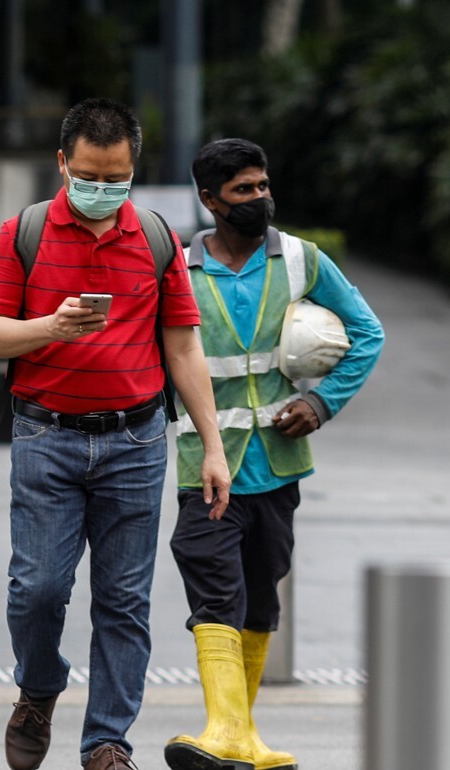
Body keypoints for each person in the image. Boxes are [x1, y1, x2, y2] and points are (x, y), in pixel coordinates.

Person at [0, 98, 231, 770]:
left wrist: (212, 444)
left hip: (137, 442)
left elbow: (183, 350)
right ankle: (39, 687)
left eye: (117, 180)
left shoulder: (154, 238)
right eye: (90, 176)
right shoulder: (22, 233)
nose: (103, 191)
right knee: (38, 590)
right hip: (46, 436)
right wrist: (49, 328)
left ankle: (107, 742)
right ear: (62, 164)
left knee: (123, 600)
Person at [164, 138, 385, 770]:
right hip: (204, 466)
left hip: (278, 469)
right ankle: (225, 729)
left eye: (262, 186)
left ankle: (242, 734)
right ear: (209, 200)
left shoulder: (302, 261)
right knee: (213, 589)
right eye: (243, 191)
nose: (259, 199)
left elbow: (368, 333)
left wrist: (321, 403)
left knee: (261, 597)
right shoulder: (177, 269)